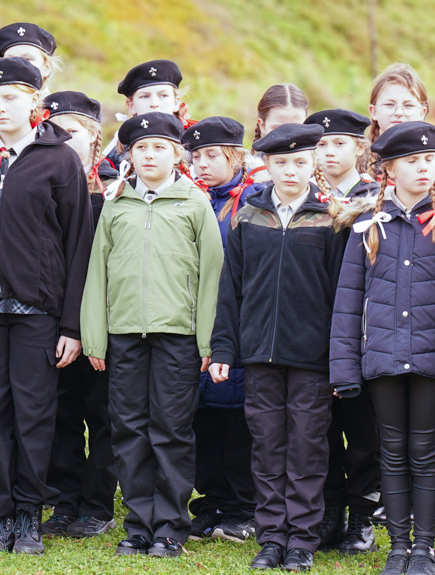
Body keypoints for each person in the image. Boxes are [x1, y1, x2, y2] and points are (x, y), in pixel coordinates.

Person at [0, 57, 93, 555]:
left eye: (10, 97)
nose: (0, 107)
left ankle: (29, 512)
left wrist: (72, 324)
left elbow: (78, 244)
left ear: (35, 100)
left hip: (39, 311)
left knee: (33, 412)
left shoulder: (59, 158)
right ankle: (0, 513)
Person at [330, 121, 435, 575]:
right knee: (391, 454)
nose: (423, 168)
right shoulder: (367, 226)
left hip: (433, 361)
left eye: (430, 160)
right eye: (412, 161)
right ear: (389, 170)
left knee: (424, 453)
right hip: (381, 358)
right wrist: (344, 368)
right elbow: (347, 301)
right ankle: (398, 547)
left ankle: (423, 548)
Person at [82, 112, 223, 559]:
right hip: (125, 333)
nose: (149, 154)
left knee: (171, 429)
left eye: (159, 146)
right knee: (128, 430)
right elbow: (97, 272)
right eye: (140, 148)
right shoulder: (116, 202)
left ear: (177, 153)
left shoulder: (194, 202)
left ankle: (170, 527)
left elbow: (211, 276)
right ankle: (139, 523)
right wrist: (95, 338)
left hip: (177, 335)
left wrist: (206, 341)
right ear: (129, 154)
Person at [210, 122, 346, 571]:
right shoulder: (248, 216)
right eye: (281, 162)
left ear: (314, 164)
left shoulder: (330, 219)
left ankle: (302, 538)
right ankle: (271, 537)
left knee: (307, 446)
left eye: (300, 162)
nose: (291, 170)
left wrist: (338, 359)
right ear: (266, 165)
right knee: (267, 446)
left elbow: (340, 295)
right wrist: (225, 349)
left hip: (312, 359)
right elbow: (231, 289)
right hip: (258, 356)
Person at [38, 90, 117, 539]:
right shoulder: (41, 179)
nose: (68, 140)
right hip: (55, 315)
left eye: (77, 132)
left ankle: (97, 503)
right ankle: (64, 499)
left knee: (102, 412)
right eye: (58, 131)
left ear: (94, 138)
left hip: (105, 319)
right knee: (61, 411)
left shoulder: (115, 187)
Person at [304, 108, 382, 554]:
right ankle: (329, 510)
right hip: (315, 331)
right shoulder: (308, 198)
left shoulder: (376, 199)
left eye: (339, 143)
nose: (330, 152)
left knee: (363, 430)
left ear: (359, 148)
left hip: (363, 332)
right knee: (323, 430)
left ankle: (361, 515)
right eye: (322, 144)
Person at [181, 116, 258, 543]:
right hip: (194, 325)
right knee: (203, 420)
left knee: (237, 422)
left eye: (212, 155)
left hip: (238, 324)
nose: (203, 164)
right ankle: (208, 501)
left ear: (235, 156)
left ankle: (241, 506)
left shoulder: (252, 201)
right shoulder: (191, 199)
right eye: (196, 156)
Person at [0, 22, 62, 98]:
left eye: (27, 59)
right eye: (11, 59)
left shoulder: (59, 109)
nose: (18, 65)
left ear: (47, 68)